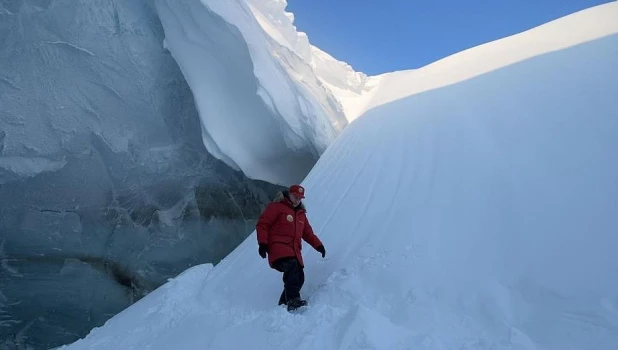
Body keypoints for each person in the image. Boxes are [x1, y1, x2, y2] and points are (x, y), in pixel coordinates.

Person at [256, 184, 326, 311]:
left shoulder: (301, 215)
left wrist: (319, 246)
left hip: (294, 251)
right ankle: (293, 300)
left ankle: (283, 303)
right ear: (289, 194)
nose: (298, 200)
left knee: (299, 277)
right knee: (292, 266)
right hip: (278, 248)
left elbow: (308, 234)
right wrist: (263, 243)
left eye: (300, 198)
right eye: (295, 196)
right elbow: (263, 224)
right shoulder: (276, 207)